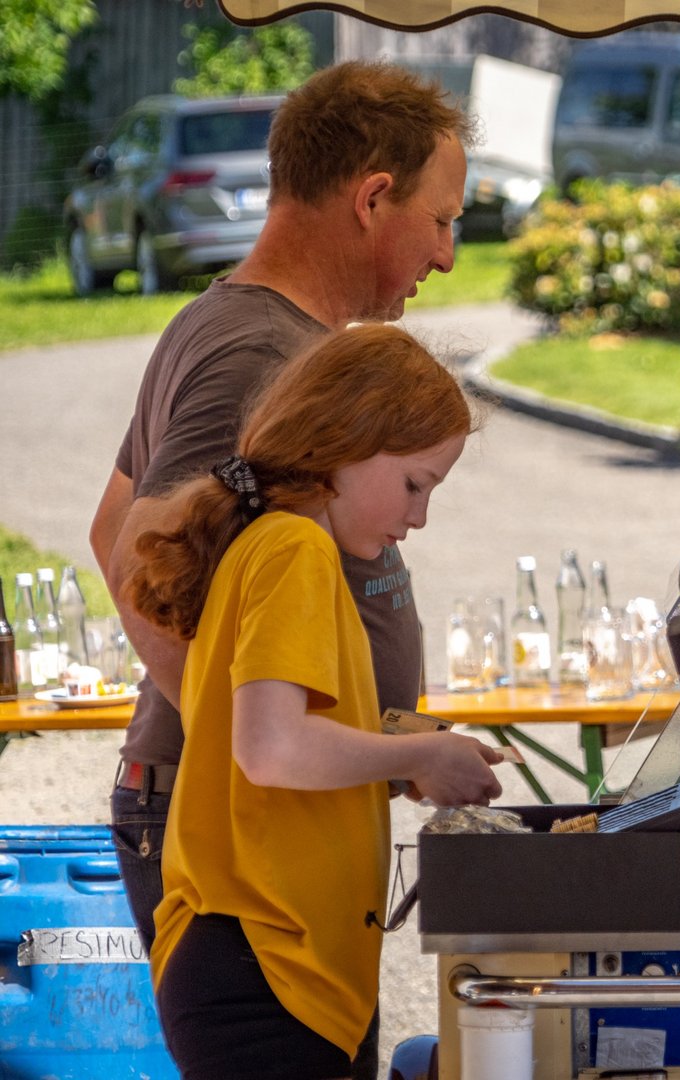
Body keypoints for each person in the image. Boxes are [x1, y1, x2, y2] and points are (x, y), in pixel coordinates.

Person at [87, 59, 469, 1080]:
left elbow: (113, 522)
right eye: (440, 220)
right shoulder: (260, 356)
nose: (445, 253)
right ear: (372, 197)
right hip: (250, 880)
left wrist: (350, 737)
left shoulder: (248, 330)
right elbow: (134, 550)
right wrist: (262, 732)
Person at [123, 323, 504, 1080]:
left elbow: (284, 733)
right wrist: (422, 752)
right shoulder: (294, 549)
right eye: (415, 484)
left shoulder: (277, 543)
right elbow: (272, 748)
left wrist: (409, 753)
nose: (420, 516)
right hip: (263, 964)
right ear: (345, 442)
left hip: (264, 961)